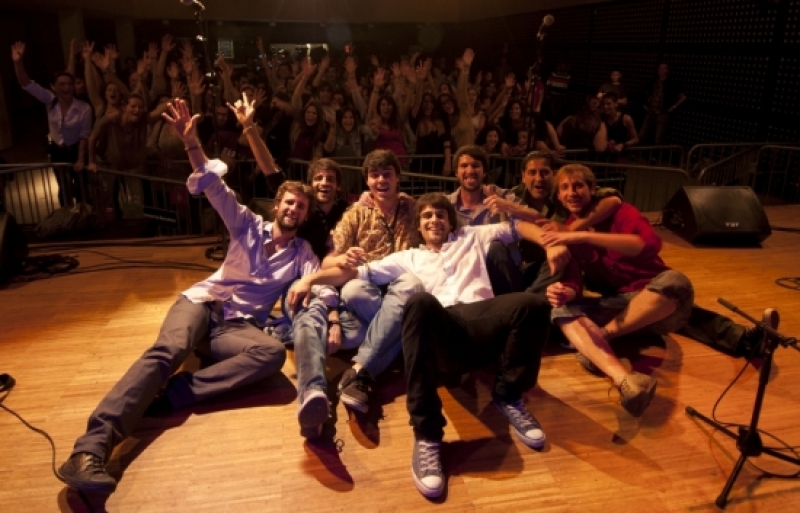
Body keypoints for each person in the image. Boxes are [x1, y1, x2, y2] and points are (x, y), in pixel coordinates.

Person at [57, 99, 337, 494]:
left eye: (301, 206)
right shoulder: (246, 224)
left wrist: (325, 296)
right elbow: (215, 187)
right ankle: (90, 448)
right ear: (277, 205)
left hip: (235, 328)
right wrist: (191, 143)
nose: (294, 208)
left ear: (305, 216)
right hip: (203, 303)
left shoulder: (302, 253)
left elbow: (318, 285)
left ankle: (176, 393)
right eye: (289, 202)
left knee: (271, 354)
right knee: (166, 353)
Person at [286, 192, 560, 498]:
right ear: (418, 225)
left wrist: (550, 245)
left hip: (482, 322)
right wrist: (311, 280)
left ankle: (509, 395)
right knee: (418, 301)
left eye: (440, 215)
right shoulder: (408, 258)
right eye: (427, 216)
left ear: (450, 221)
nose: (434, 220)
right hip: (443, 329)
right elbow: (354, 272)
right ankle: (427, 434)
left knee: (534, 305)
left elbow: (517, 227)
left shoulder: (472, 237)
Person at [539, 164, 694, 417]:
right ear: (558, 195)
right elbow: (574, 282)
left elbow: (647, 245)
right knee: (560, 310)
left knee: (676, 281)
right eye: (564, 188)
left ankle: (601, 338)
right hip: (621, 308)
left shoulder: (622, 212)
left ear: (592, 189)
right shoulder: (566, 229)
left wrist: (584, 236)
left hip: (657, 304)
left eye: (578, 186)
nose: (572, 193)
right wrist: (564, 291)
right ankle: (625, 381)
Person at [289, 149, 422, 435]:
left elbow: (445, 214)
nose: (381, 180)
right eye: (375, 175)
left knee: (410, 285)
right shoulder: (355, 213)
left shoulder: (413, 208)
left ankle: (362, 369)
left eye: (387, 174)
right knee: (352, 291)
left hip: (402, 289)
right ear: (367, 181)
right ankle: (401, 339)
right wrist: (343, 259)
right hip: (368, 295)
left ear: (398, 178)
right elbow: (328, 261)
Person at [12, 41, 92, 207]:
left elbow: (84, 135)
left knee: (82, 187)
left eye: (69, 84)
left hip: (76, 149)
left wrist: (80, 159)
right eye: (61, 84)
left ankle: (85, 214)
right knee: (63, 187)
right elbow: (26, 84)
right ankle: (66, 215)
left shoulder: (83, 108)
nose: (66, 87)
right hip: (57, 150)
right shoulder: (50, 100)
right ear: (53, 87)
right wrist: (18, 63)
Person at [639, 63, 686, 145]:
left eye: (664, 68)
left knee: (658, 138)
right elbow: (644, 92)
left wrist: (673, 107)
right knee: (641, 135)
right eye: (660, 68)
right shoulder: (653, 82)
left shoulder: (672, 83)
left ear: (668, 70)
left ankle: (656, 152)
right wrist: (645, 104)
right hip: (651, 111)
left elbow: (683, 97)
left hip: (662, 113)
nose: (661, 71)